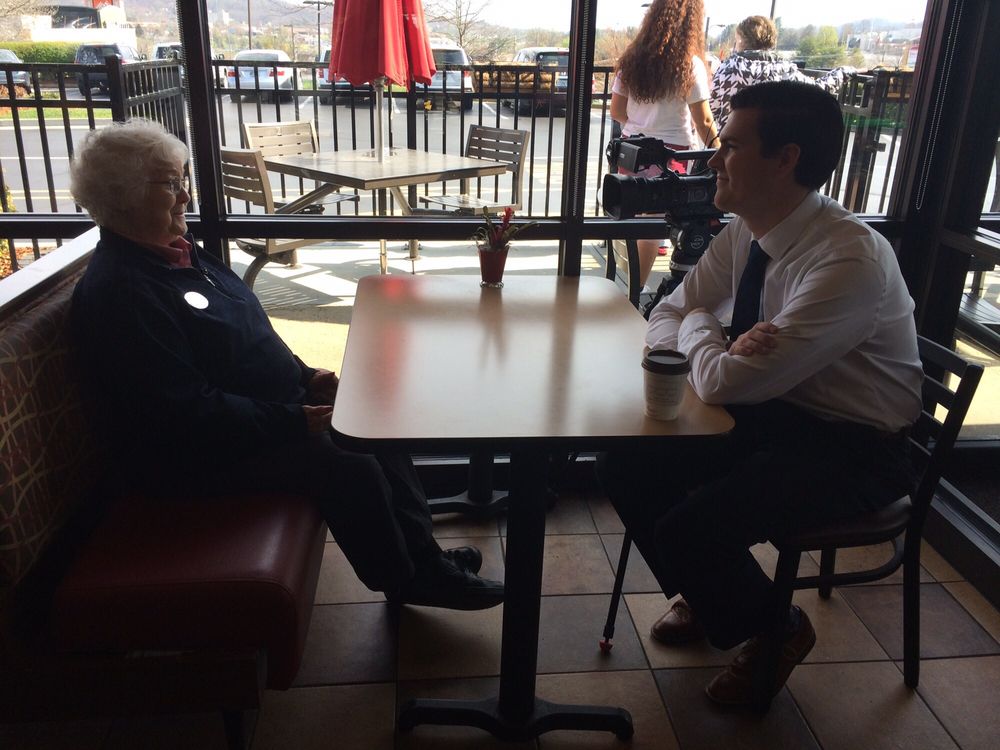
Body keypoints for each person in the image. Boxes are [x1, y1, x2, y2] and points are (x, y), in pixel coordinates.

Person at [69, 119, 504, 612]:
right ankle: (406, 579)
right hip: (195, 457)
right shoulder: (123, 294)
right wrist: (292, 420)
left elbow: (251, 336)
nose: (186, 195)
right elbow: (182, 411)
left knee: (376, 424)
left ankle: (424, 558)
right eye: (170, 184)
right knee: (350, 465)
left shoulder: (180, 256)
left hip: (260, 414)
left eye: (182, 179)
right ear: (122, 197)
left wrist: (305, 376)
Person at [598, 81, 923, 706]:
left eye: (731, 146)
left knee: (692, 528)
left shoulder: (847, 260)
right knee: (624, 464)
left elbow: (718, 376)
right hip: (779, 412)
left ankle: (778, 628)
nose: (714, 159)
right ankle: (711, 595)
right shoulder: (748, 230)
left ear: (785, 159)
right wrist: (708, 332)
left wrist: (702, 328)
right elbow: (667, 312)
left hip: (857, 447)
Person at [609, 0, 720, 290]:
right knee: (656, 226)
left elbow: (617, 111)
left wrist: (640, 126)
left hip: (632, 149)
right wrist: (723, 154)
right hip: (672, 154)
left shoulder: (632, 60)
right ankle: (636, 291)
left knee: (632, 216)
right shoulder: (689, 65)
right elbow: (704, 121)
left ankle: (630, 285)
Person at [710, 15, 854, 131]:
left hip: (732, 146)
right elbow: (818, 89)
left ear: (741, 40)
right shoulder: (784, 69)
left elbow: (712, 108)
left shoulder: (727, 69)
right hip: (769, 147)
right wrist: (843, 72)